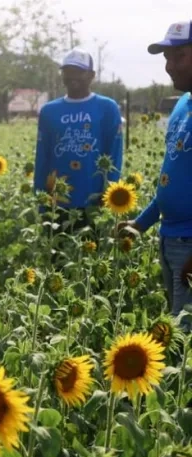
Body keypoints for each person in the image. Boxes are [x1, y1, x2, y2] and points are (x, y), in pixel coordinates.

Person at [118, 20, 192, 327]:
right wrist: (141, 222)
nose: (169, 66)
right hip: (170, 240)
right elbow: (172, 177)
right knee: (177, 328)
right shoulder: (182, 105)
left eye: (179, 57)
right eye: (166, 57)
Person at [34, 48, 124, 236]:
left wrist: (109, 196)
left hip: (93, 202)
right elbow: (42, 158)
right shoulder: (49, 111)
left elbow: (114, 155)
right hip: (56, 202)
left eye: (79, 71)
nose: (72, 76)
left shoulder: (107, 107)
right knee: (57, 261)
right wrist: (40, 199)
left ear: (91, 75)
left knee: (90, 259)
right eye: (68, 71)